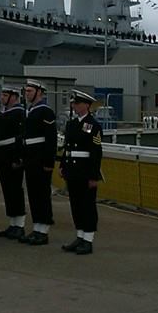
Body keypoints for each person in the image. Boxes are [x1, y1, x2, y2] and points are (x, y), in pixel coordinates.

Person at [60, 90, 103, 255]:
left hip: (85, 170)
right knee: (76, 204)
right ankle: (79, 236)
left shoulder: (93, 125)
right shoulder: (72, 124)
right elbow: (67, 147)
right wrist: (63, 165)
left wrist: (93, 176)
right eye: (73, 103)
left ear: (86, 105)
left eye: (77, 103)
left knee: (87, 205)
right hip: (73, 169)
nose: (74, 106)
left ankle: (88, 239)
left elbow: (96, 152)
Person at [19, 80, 58, 245]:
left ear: (39, 92)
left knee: (42, 194)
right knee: (34, 194)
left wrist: (49, 162)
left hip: (41, 158)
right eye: (26, 91)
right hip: (30, 158)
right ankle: (36, 228)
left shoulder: (45, 112)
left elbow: (51, 139)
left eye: (30, 91)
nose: (26, 93)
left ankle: (44, 231)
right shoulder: (30, 111)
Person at [0, 86, 26, 239]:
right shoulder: (4, 113)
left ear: (14, 97)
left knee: (15, 190)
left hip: (12, 156)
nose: (2, 98)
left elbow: (20, 137)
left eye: (5, 95)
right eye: (2, 95)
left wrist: (18, 158)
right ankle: (12, 223)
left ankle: (19, 225)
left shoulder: (19, 113)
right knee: (7, 190)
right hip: (2, 156)